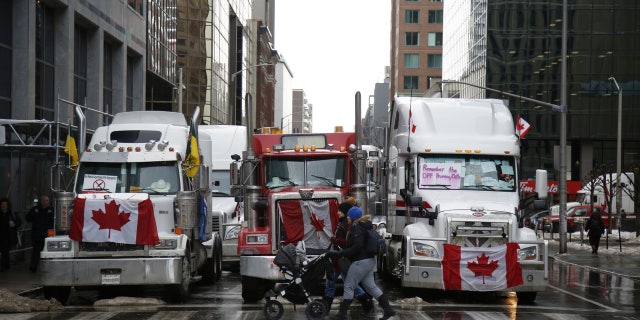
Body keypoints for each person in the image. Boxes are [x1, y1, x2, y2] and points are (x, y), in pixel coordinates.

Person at [328, 206, 396, 320]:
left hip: (360, 261)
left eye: (349, 216)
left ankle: (342, 315)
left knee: (349, 286)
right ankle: (389, 310)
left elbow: (358, 246)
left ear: (352, 217)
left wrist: (342, 253)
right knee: (371, 287)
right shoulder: (364, 226)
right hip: (369, 261)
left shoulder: (357, 228)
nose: (347, 217)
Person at [322, 198, 373, 314]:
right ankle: (365, 299)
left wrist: (336, 240)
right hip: (339, 259)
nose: (337, 213)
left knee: (333, 282)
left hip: (340, 258)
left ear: (345, 212)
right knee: (345, 283)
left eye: (340, 211)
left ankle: (327, 307)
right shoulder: (344, 223)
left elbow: (349, 242)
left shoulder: (347, 225)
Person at [25, 195, 54, 272]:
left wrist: (51, 214)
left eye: (47, 200)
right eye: (45, 200)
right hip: (37, 234)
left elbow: (55, 221)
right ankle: (33, 267)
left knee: (48, 251)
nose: (46, 202)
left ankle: (49, 267)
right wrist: (34, 213)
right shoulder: (35, 209)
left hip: (48, 235)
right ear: (41, 201)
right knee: (36, 251)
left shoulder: (52, 210)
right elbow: (27, 218)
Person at [1, 198, 22, 271]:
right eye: (2, 204)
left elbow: (19, 222)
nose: (3, 206)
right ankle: (6, 266)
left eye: (5, 204)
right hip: (1, 236)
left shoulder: (12, 214)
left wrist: (14, 224)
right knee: (4, 252)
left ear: (8, 206)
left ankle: (5, 266)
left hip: (8, 236)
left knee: (5, 251)